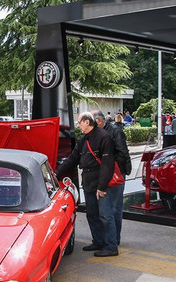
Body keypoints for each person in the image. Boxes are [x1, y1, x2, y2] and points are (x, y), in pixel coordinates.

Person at [55, 111, 119, 257]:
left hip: (101, 183)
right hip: (89, 181)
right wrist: (56, 173)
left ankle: (110, 246)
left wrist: (102, 187)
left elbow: (107, 164)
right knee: (92, 214)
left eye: (79, 122)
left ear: (87, 122)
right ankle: (98, 241)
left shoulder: (104, 137)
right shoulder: (84, 139)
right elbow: (72, 159)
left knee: (105, 215)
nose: (78, 125)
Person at [93, 110, 130, 246]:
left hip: (116, 174)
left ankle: (114, 240)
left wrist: (109, 165)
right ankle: (109, 239)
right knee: (106, 209)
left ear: (99, 121)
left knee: (114, 208)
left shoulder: (115, 131)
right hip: (106, 173)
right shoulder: (100, 131)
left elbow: (123, 153)